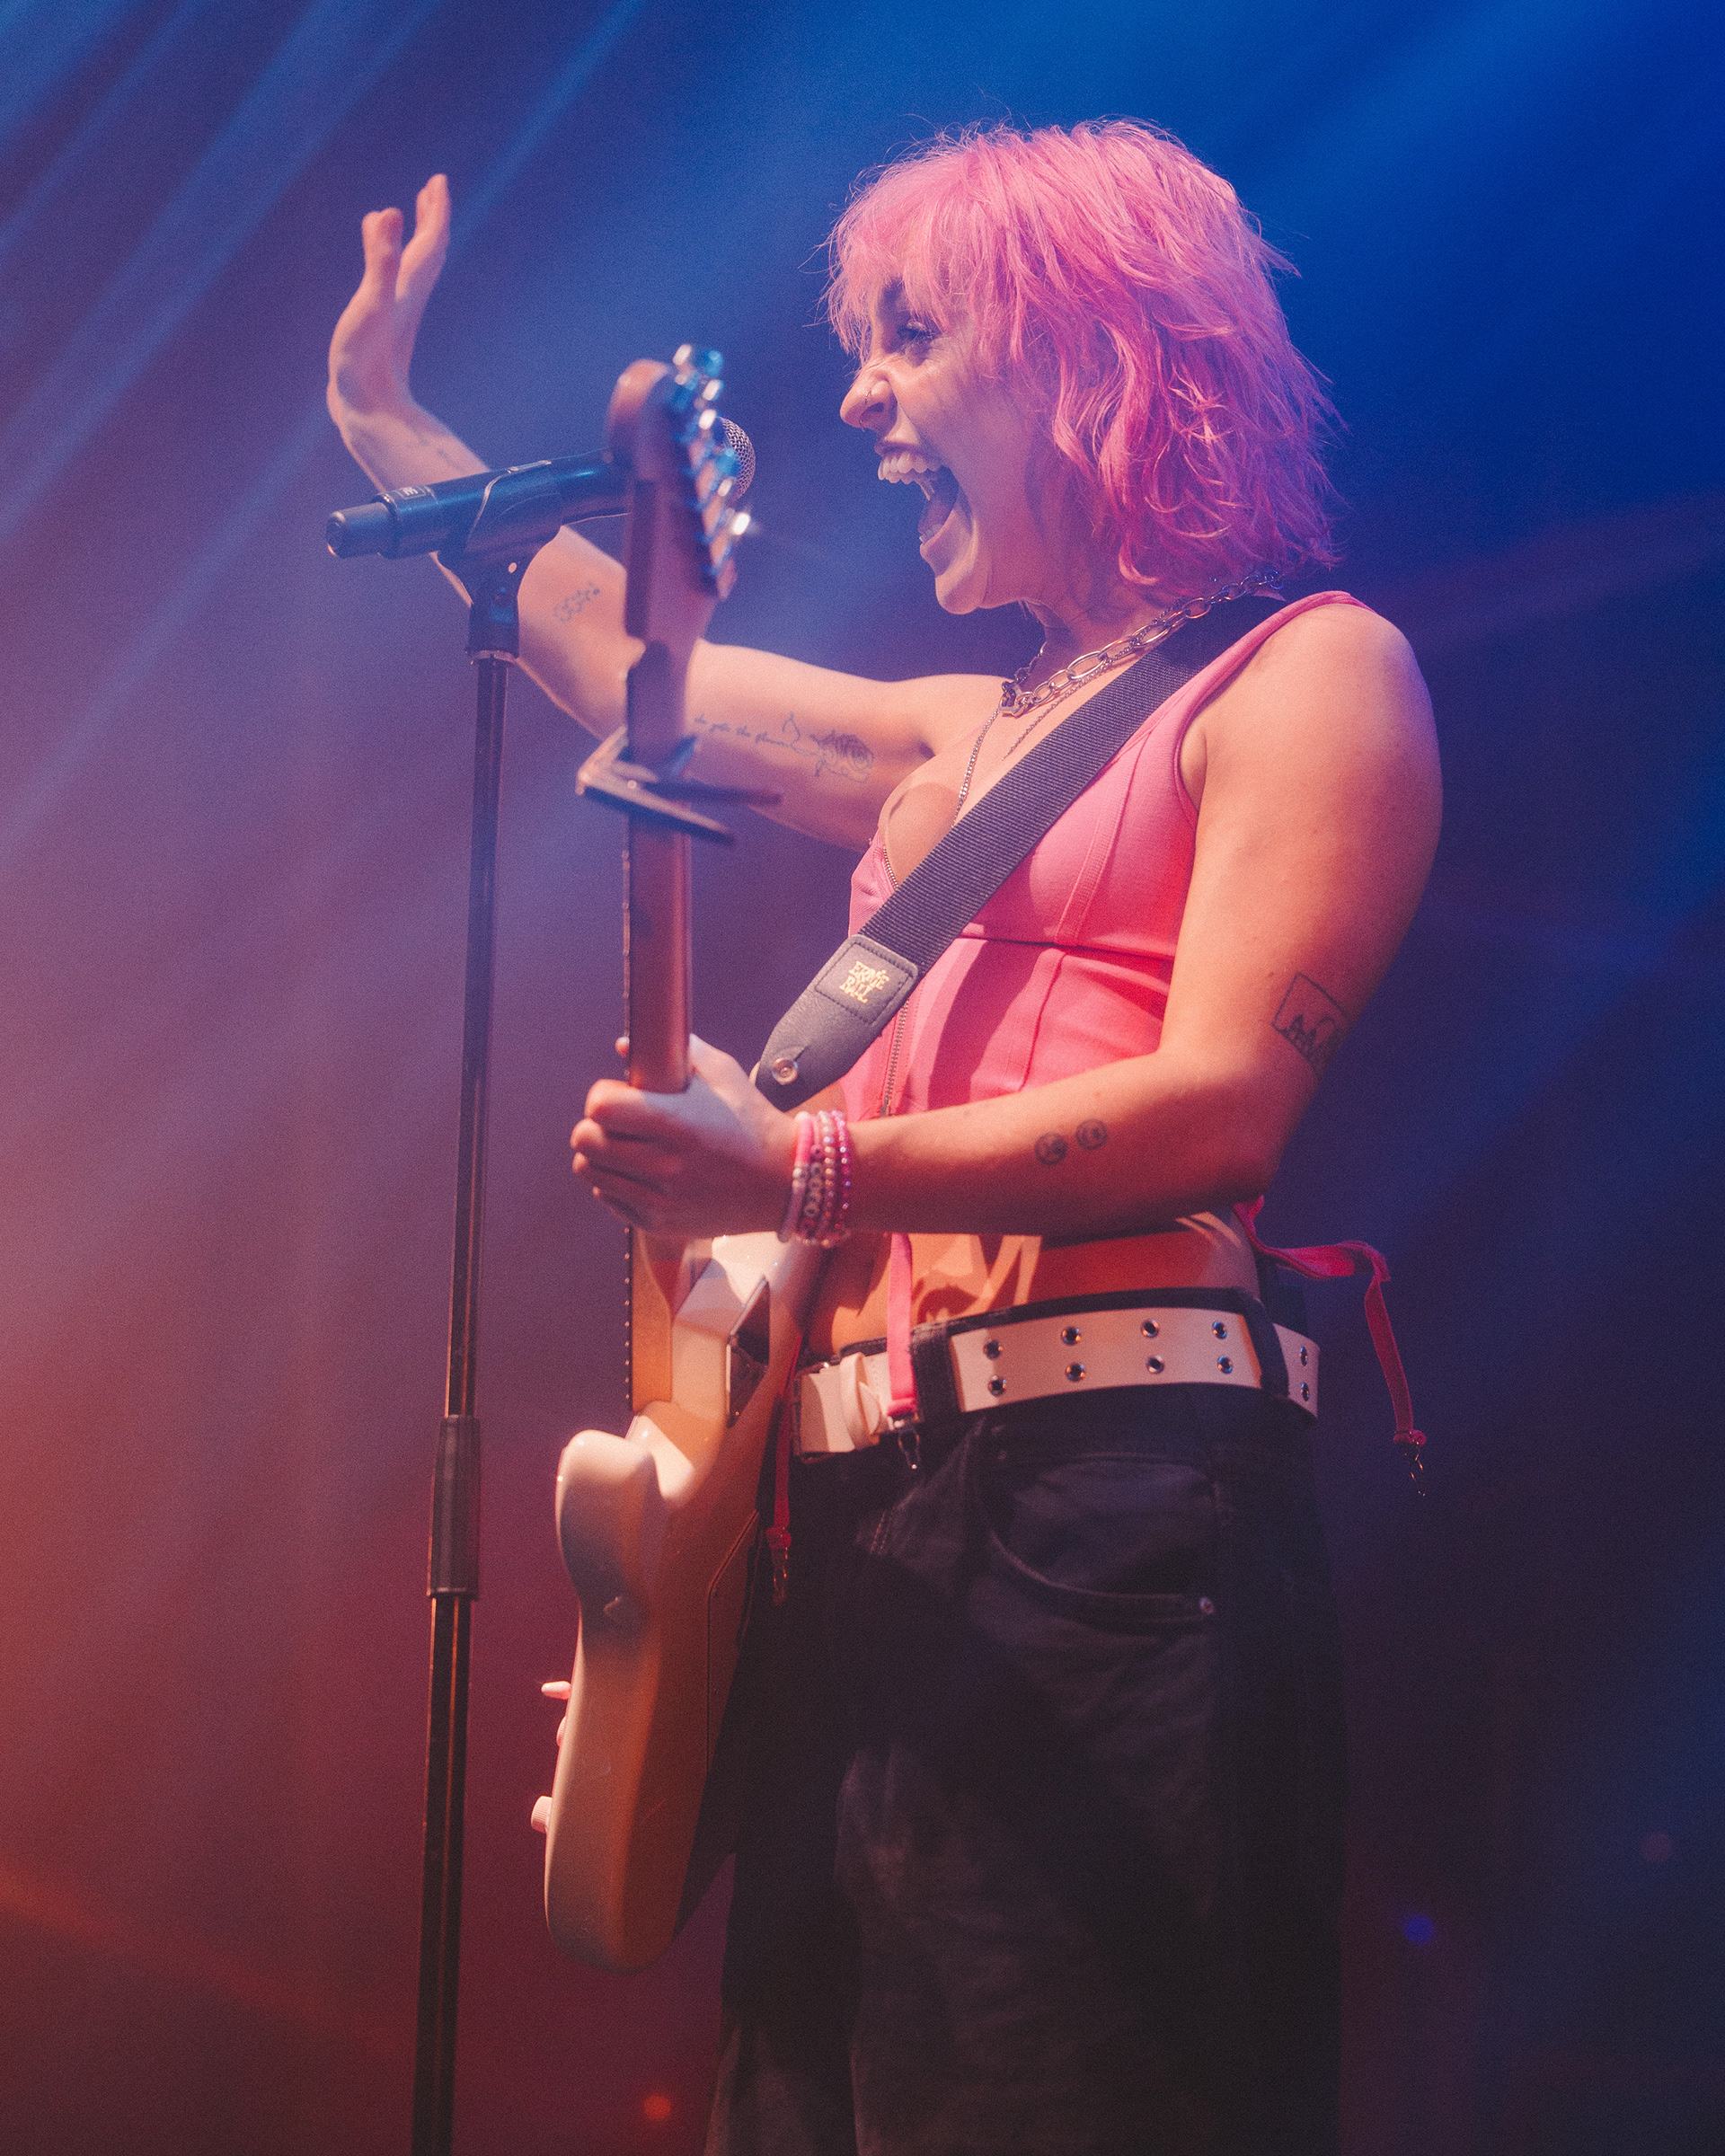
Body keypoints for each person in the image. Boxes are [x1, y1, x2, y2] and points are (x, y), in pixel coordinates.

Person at [329, 120, 1439, 2156]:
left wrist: (802, 1173)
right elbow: (634, 673)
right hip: (853, 1535)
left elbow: (1225, 1104)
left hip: (1108, 1514)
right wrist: (396, 426)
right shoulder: (968, 732)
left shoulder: (1312, 674)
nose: (859, 399)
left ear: (1087, 352)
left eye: (911, 339)